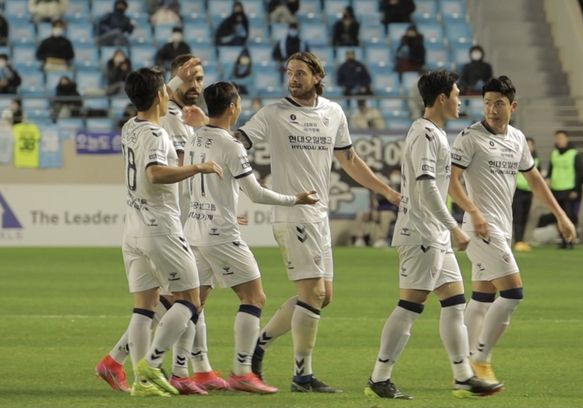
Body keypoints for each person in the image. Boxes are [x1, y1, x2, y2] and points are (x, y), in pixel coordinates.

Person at [233, 52, 400, 393]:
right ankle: (302, 376)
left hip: (319, 215)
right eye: (289, 73)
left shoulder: (333, 112)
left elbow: (349, 159)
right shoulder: (274, 113)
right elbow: (239, 142)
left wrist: (386, 191)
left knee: (324, 297)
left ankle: (260, 344)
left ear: (317, 77)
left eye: (300, 73)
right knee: (314, 293)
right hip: (292, 212)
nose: (293, 79)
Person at [364, 69, 501, 400]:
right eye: (456, 94)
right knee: (410, 306)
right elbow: (426, 188)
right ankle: (379, 377)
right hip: (421, 233)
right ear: (442, 98)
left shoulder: (435, 133)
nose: (460, 101)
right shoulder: (424, 134)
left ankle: (463, 376)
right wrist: (454, 226)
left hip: (434, 234)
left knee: (454, 303)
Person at [184, 80, 319, 394]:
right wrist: (294, 199)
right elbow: (255, 193)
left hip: (195, 229)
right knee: (254, 297)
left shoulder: (195, 137)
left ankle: (194, 371)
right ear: (233, 107)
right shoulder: (231, 145)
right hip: (220, 233)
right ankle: (242, 371)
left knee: (192, 304)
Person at [448, 75, 576, 386]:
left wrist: (561, 215)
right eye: (487, 103)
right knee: (513, 293)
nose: (492, 110)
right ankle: (481, 360)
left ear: (512, 106)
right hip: (481, 228)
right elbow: (451, 181)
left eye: (499, 104)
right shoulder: (469, 137)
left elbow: (534, 179)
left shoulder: (517, 139)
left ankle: (464, 372)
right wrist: (473, 212)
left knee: (483, 296)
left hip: (502, 227)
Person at [105, 66, 223, 397]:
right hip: (160, 227)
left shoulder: (130, 126)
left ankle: (141, 383)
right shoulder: (156, 135)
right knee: (189, 300)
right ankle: (152, 364)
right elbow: (155, 173)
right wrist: (197, 167)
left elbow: (152, 94)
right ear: (160, 96)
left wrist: (173, 79)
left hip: (133, 228)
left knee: (144, 307)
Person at [546, 130, 583, 249]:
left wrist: (576, 190)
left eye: (561, 138)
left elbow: (581, 173)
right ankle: (563, 239)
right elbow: (550, 169)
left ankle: (571, 239)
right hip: (556, 189)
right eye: (557, 138)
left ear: (567, 139)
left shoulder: (574, 154)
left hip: (569, 190)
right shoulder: (554, 154)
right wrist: (548, 179)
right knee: (557, 216)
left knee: (570, 216)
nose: (559, 140)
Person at [512, 137, 540, 252]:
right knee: (518, 217)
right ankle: (518, 240)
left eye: (530, 145)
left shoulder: (536, 160)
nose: (528, 147)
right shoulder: (516, 157)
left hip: (529, 191)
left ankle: (521, 241)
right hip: (517, 190)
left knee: (525, 217)